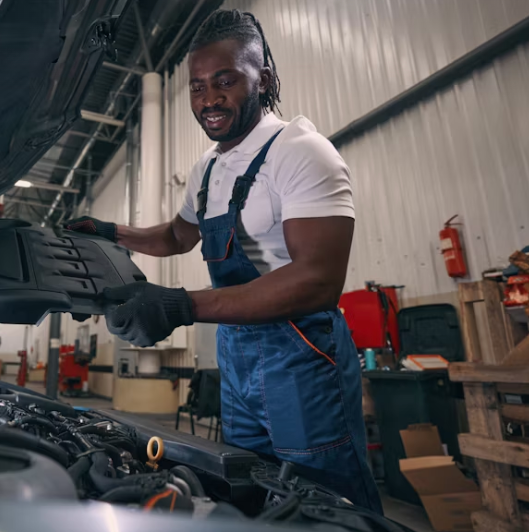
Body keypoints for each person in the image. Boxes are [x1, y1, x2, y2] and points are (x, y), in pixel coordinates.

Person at [66, 9, 382, 513]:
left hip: (301, 361)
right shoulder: (208, 170)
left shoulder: (301, 153)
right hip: (236, 360)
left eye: (225, 81)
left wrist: (180, 305)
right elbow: (177, 235)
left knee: (325, 504)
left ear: (266, 79)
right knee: (250, 490)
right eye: (196, 86)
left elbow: (317, 280)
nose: (208, 99)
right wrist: (111, 232)